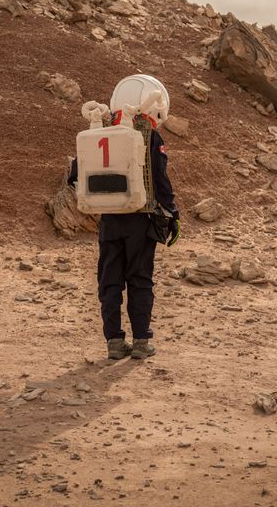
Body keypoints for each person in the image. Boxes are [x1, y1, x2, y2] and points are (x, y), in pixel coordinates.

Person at [68, 75, 180, 360]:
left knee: (110, 280)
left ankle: (114, 342)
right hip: (141, 220)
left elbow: (74, 176)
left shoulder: (100, 131)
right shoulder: (149, 134)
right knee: (140, 279)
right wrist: (172, 214)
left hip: (109, 219)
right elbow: (160, 179)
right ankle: (142, 341)